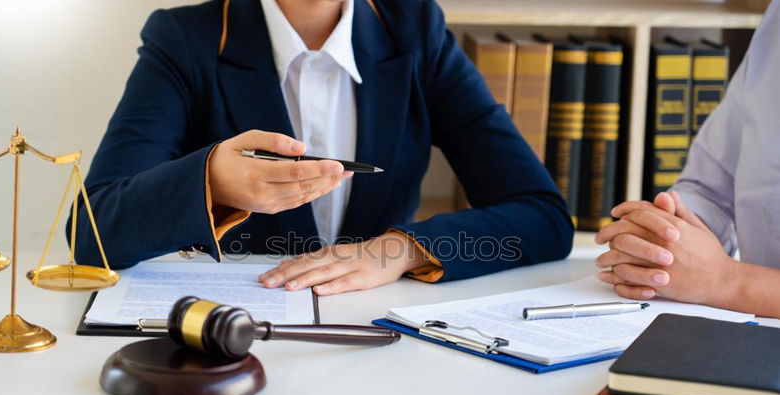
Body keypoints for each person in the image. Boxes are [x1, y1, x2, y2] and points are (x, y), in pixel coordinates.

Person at [71, 0, 573, 296]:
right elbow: (92, 232)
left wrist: (401, 249)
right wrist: (210, 181)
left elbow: (544, 217)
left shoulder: (415, 30)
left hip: (380, 339)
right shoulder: (186, 39)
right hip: (239, 331)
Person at [594, 0, 780, 318]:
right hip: (746, 333)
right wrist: (666, 238)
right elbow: (709, 187)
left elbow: (724, 280)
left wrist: (727, 280)